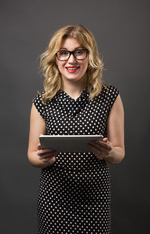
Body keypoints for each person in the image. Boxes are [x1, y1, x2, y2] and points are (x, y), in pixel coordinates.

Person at [27, 25, 125, 234]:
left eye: (79, 52)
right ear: (55, 58)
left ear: (90, 56)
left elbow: (119, 153)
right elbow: (31, 156)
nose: (71, 60)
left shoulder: (110, 97)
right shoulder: (42, 102)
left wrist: (109, 152)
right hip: (54, 200)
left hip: (95, 199)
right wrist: (45, 157)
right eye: (63, 53)